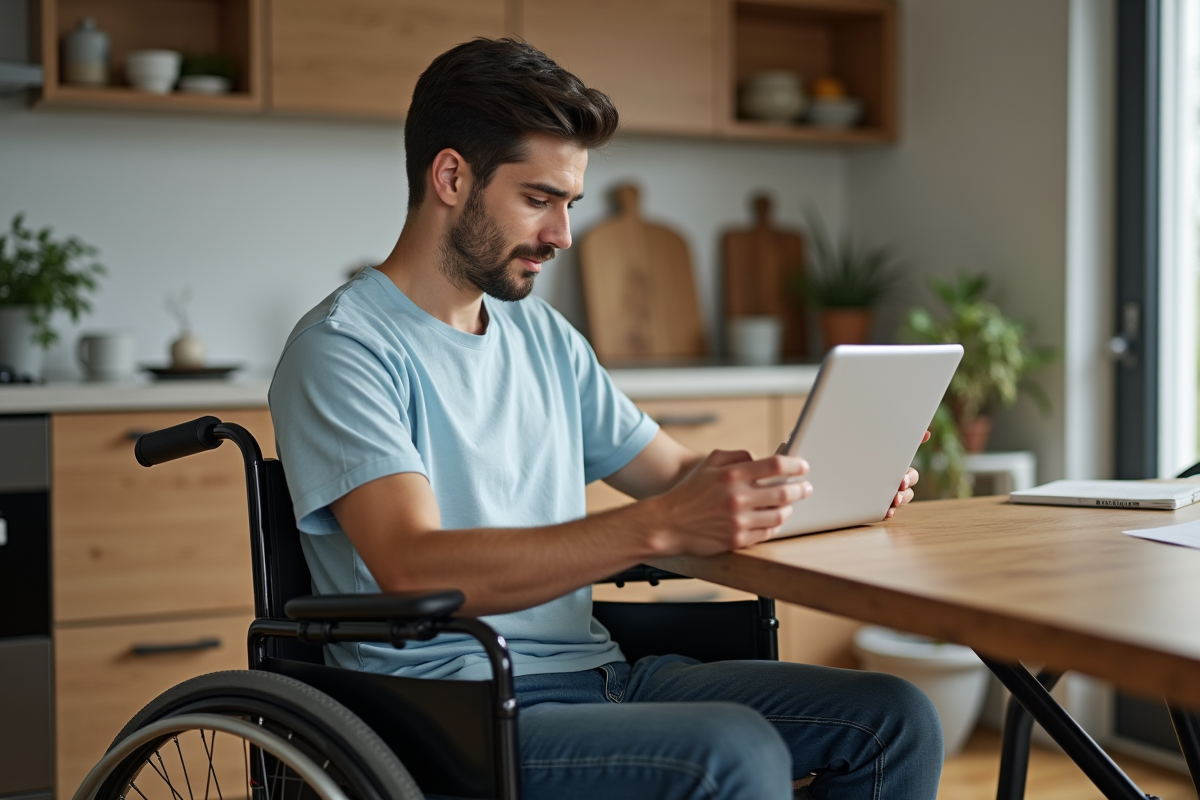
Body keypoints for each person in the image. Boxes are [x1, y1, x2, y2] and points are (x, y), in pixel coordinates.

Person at [269, 37, 943, 800]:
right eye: (538, 199)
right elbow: (414, 564)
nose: (561, 235)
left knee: (893, 718)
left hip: (602, 673)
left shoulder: (541, 335)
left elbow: (673, 473)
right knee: (732, 752)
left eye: (569, 204)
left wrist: (805, 477)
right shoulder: (344, 350)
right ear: (451, 177)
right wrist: (659, 526)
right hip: (453, 709)